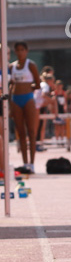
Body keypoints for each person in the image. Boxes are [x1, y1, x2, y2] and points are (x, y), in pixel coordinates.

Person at [10, 41, 41, 174]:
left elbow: (38, 84)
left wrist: (28, 87)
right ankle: (25, 162)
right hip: (15, 100)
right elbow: (10, 84)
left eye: (22, 49)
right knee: (20, 133)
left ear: (26, 51)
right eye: (18, 50)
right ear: (15, 52)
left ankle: (32, 163)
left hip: (28, 98)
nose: (20, 52)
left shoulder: (31, 65)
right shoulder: (12, 67)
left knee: (32, 132)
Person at [0, 44, 11, 177]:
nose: (7, 56)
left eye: (8, 53)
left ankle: (3, 168)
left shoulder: (8, 68)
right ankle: (2, 169)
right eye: (5, 53)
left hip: (4, 103)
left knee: (3, 138)